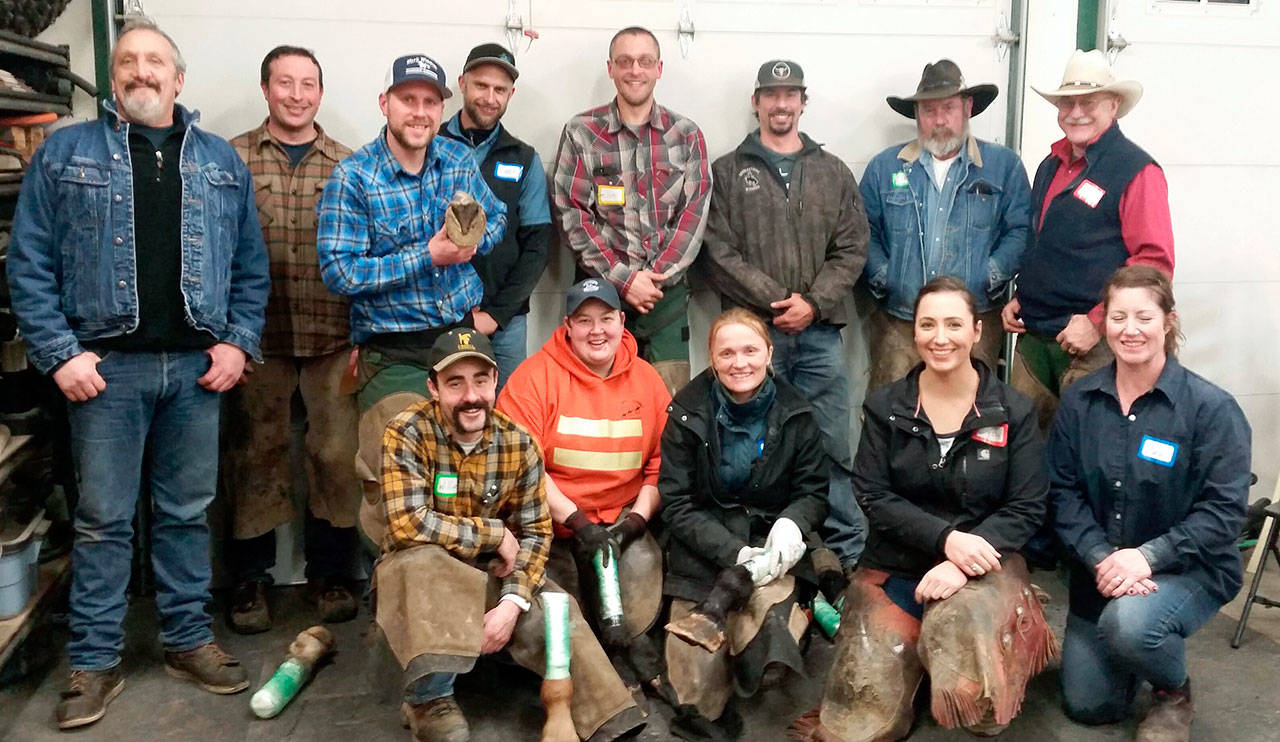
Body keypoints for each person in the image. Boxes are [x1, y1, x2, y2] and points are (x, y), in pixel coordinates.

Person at [7, 17, 269, 729]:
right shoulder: (65, 155)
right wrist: (61, 354)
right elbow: (27, 264)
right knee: (102, 523)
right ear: (116, 79)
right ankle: (94, 662)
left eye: (156, 61)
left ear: (178, 80)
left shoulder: (219, 162)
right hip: (105, 375)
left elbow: (251, 265)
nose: (142, 71)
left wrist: (238, 344)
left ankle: (187, 641)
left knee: (186, 516)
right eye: (129, 62)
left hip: (195, 372)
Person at [794, 277, 1053, 741]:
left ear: (977, 330)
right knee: (858, 727)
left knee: (980, 713)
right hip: (897, 565)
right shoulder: (884, 407)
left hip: (983, 562)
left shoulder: (1013, 410)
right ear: (914, 333)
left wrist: (961, 562)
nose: (940, 337)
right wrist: (944, 540)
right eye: (927, 324)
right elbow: (872, 493)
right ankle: (916, 658)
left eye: (954, 324)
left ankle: (971, 637)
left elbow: (1027, 505)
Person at [370, 329, 644, 742]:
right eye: (455, 383)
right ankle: (429, 699)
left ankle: (605, 716)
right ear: (433, 387)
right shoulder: (406, 432)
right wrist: (494, 532)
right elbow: (408, 523)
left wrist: (512, 605)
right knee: (422, 562)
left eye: (481, 381)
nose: (471, 396)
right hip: (419, 572)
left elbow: (536, 533)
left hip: (491, 574)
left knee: (556, 606)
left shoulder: (519, 443)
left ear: (495, 381)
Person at [1050, 266, 1251, 741]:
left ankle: (1173, 691)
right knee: (1088, 706)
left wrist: (1146, 557)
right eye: (1118, 316)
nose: (1130, 329)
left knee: (1131, 626)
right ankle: (1133, 652)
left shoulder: (1211, 410)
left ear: (1168, 322)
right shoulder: (1079, 403)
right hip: (1101, 572)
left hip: (1187, 568)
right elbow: (1061, 492)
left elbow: (1223, 513)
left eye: (1144, 315)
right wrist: (1102, 557)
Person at [316, 53, 506, 540]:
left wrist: (472, 242)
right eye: (408, 100)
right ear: (385, 104)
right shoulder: (354, 177)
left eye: (430, 102)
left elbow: (498, 218)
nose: (420, 112)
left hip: (461, 343)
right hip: (396, 353)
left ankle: (462, 597)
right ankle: (392, 604)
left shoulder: (457, 161)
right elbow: (340, 272)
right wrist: (429, 256)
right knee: (394, 487)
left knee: (468, 480)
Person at [698, 58, 869, 571]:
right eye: (771, 95)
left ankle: (841, 551)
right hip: (751, 341)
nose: (781, 103)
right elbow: (717, 251)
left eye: (790, 94)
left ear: (802, 102)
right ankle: (756, 544)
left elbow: (853, 248)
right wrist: (778, 301)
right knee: (753, 442)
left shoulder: (832, 171)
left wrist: (813, 304)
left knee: (832, 443)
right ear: (756, 102)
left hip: (820, 338)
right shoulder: (728, 172)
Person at [223, 44, 359, 634]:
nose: (297, 94)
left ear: (321, 94)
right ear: (266, 89)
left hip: (334, 338)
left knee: (335, 459)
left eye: (308, 84)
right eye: (285, 83)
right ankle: (249, 580)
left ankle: (331, 574)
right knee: (255, 454)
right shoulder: (229, 160)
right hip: (258, 340)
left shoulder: (350, 164)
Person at [657, 308, 829, 738]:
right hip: (703, 546)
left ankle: (776, 644)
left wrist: (792, 524)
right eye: (727, 352)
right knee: (695, 691)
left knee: (768, 648)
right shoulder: (685, 413)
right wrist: (731, 552)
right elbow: (676, 503)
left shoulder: (798, 414)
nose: (740, 363)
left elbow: (814, 493)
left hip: (772, 541)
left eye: (751, 350)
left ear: (769, 353)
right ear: (711, 358)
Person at [497, 278, 670, 689]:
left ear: (622, 321)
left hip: (622, 523)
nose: (597, 331)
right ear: (567, 326)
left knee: (635, 603)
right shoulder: (532, 379)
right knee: (561, 617)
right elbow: (523, 469)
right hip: (551, 527)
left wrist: (634, 525)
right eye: (585, 320)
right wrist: (577, 523)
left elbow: (664, 465)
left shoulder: (647, 381)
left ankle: (635, 650)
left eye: (606, 319)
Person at [1004, 49, 1174, 429]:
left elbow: (1154, 264)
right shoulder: (1049, 165)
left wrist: (1097, 322)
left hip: (1094, 349)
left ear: (1113, 106)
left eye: (1089, 101)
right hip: (1035, 342)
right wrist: (1022, 296)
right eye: (1068, 102)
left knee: (1091, 458)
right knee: (1027, 457)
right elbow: (1044, 243)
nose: (1076, 111)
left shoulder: (1137, 171)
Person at [552, 26, 711, 394]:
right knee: (595, 404)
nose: (634, 70)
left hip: (665, 299)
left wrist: (651, 280)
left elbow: (694, 216)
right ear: (611, 68)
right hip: (598, 296)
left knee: (669, 412)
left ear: (659, 68)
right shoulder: (581, 132)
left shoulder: (686, 135)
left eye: (645, 61)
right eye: (625, 61)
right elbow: (571, 214)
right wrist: (624, 279)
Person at [861, 59, 1031, 390]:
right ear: (917, 115)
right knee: (894, 413)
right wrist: (887, 277)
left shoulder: (1002, 167)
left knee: (972, 413)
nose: (939, 120)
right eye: (929, 110)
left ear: (967, 108)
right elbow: (861, 231)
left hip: (975, 323)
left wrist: (989, 275)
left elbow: (1021, 230)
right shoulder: (884, 169)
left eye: (949, 108)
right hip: (900, 323)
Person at [439, 43, 550, 390]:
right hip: (437, 315)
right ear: (462, 84)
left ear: (510, 94)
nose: (490, 97)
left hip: (505, 324)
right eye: (481, 86)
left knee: (507, 416)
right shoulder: (428, 144)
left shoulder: (524, 159)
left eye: (500, 89)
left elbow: (536, 248)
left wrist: (495, 316)